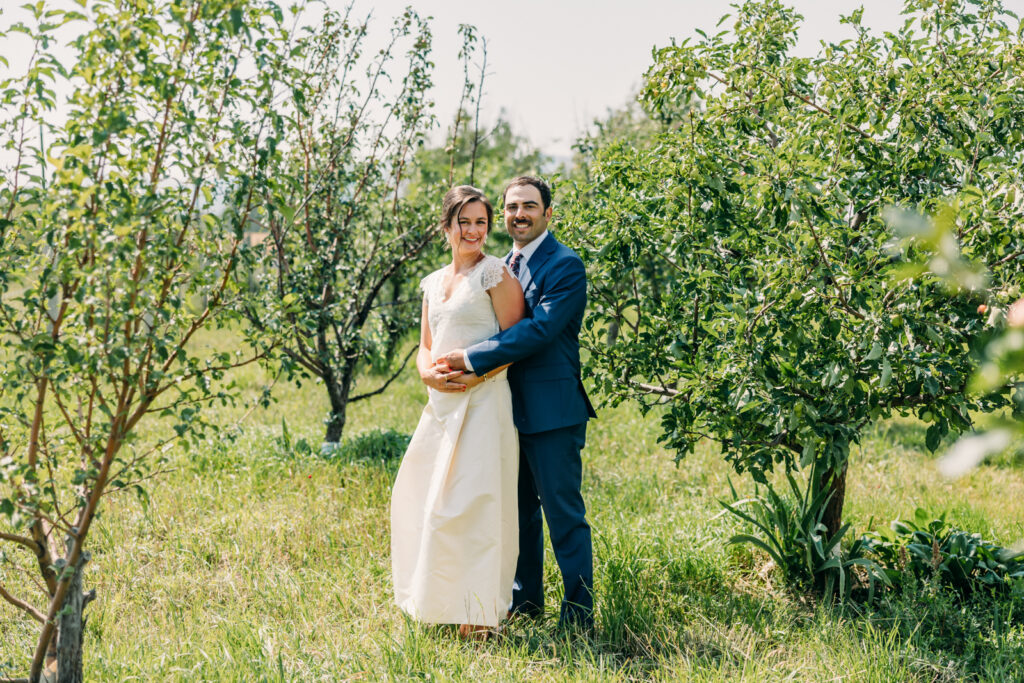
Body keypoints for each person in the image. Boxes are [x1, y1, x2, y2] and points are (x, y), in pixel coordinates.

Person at [438, 176, 597, 630]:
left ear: (549, 213)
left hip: (552, 412)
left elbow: (539, 331)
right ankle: (527, 606)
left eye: (529, 205)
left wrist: (471, 357)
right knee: (519, 514)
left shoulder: (565, 265)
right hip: (505, 411)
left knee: (564, 517)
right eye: (511, 207)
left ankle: (579, 619)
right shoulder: (500, 265)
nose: (519, 214)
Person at [390, 185, 525, 639]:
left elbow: (514, 341)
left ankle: (482, 615)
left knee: (477, 505)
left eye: (481, 222)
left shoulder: (496, 273)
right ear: (446, 226)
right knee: (428, 503)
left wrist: (476, 377)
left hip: (484, 402)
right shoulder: (432, 281)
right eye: (464, 222)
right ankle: (440, 600)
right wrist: (428, 375)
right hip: (440, 408)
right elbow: (425, 346)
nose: (473, 230)